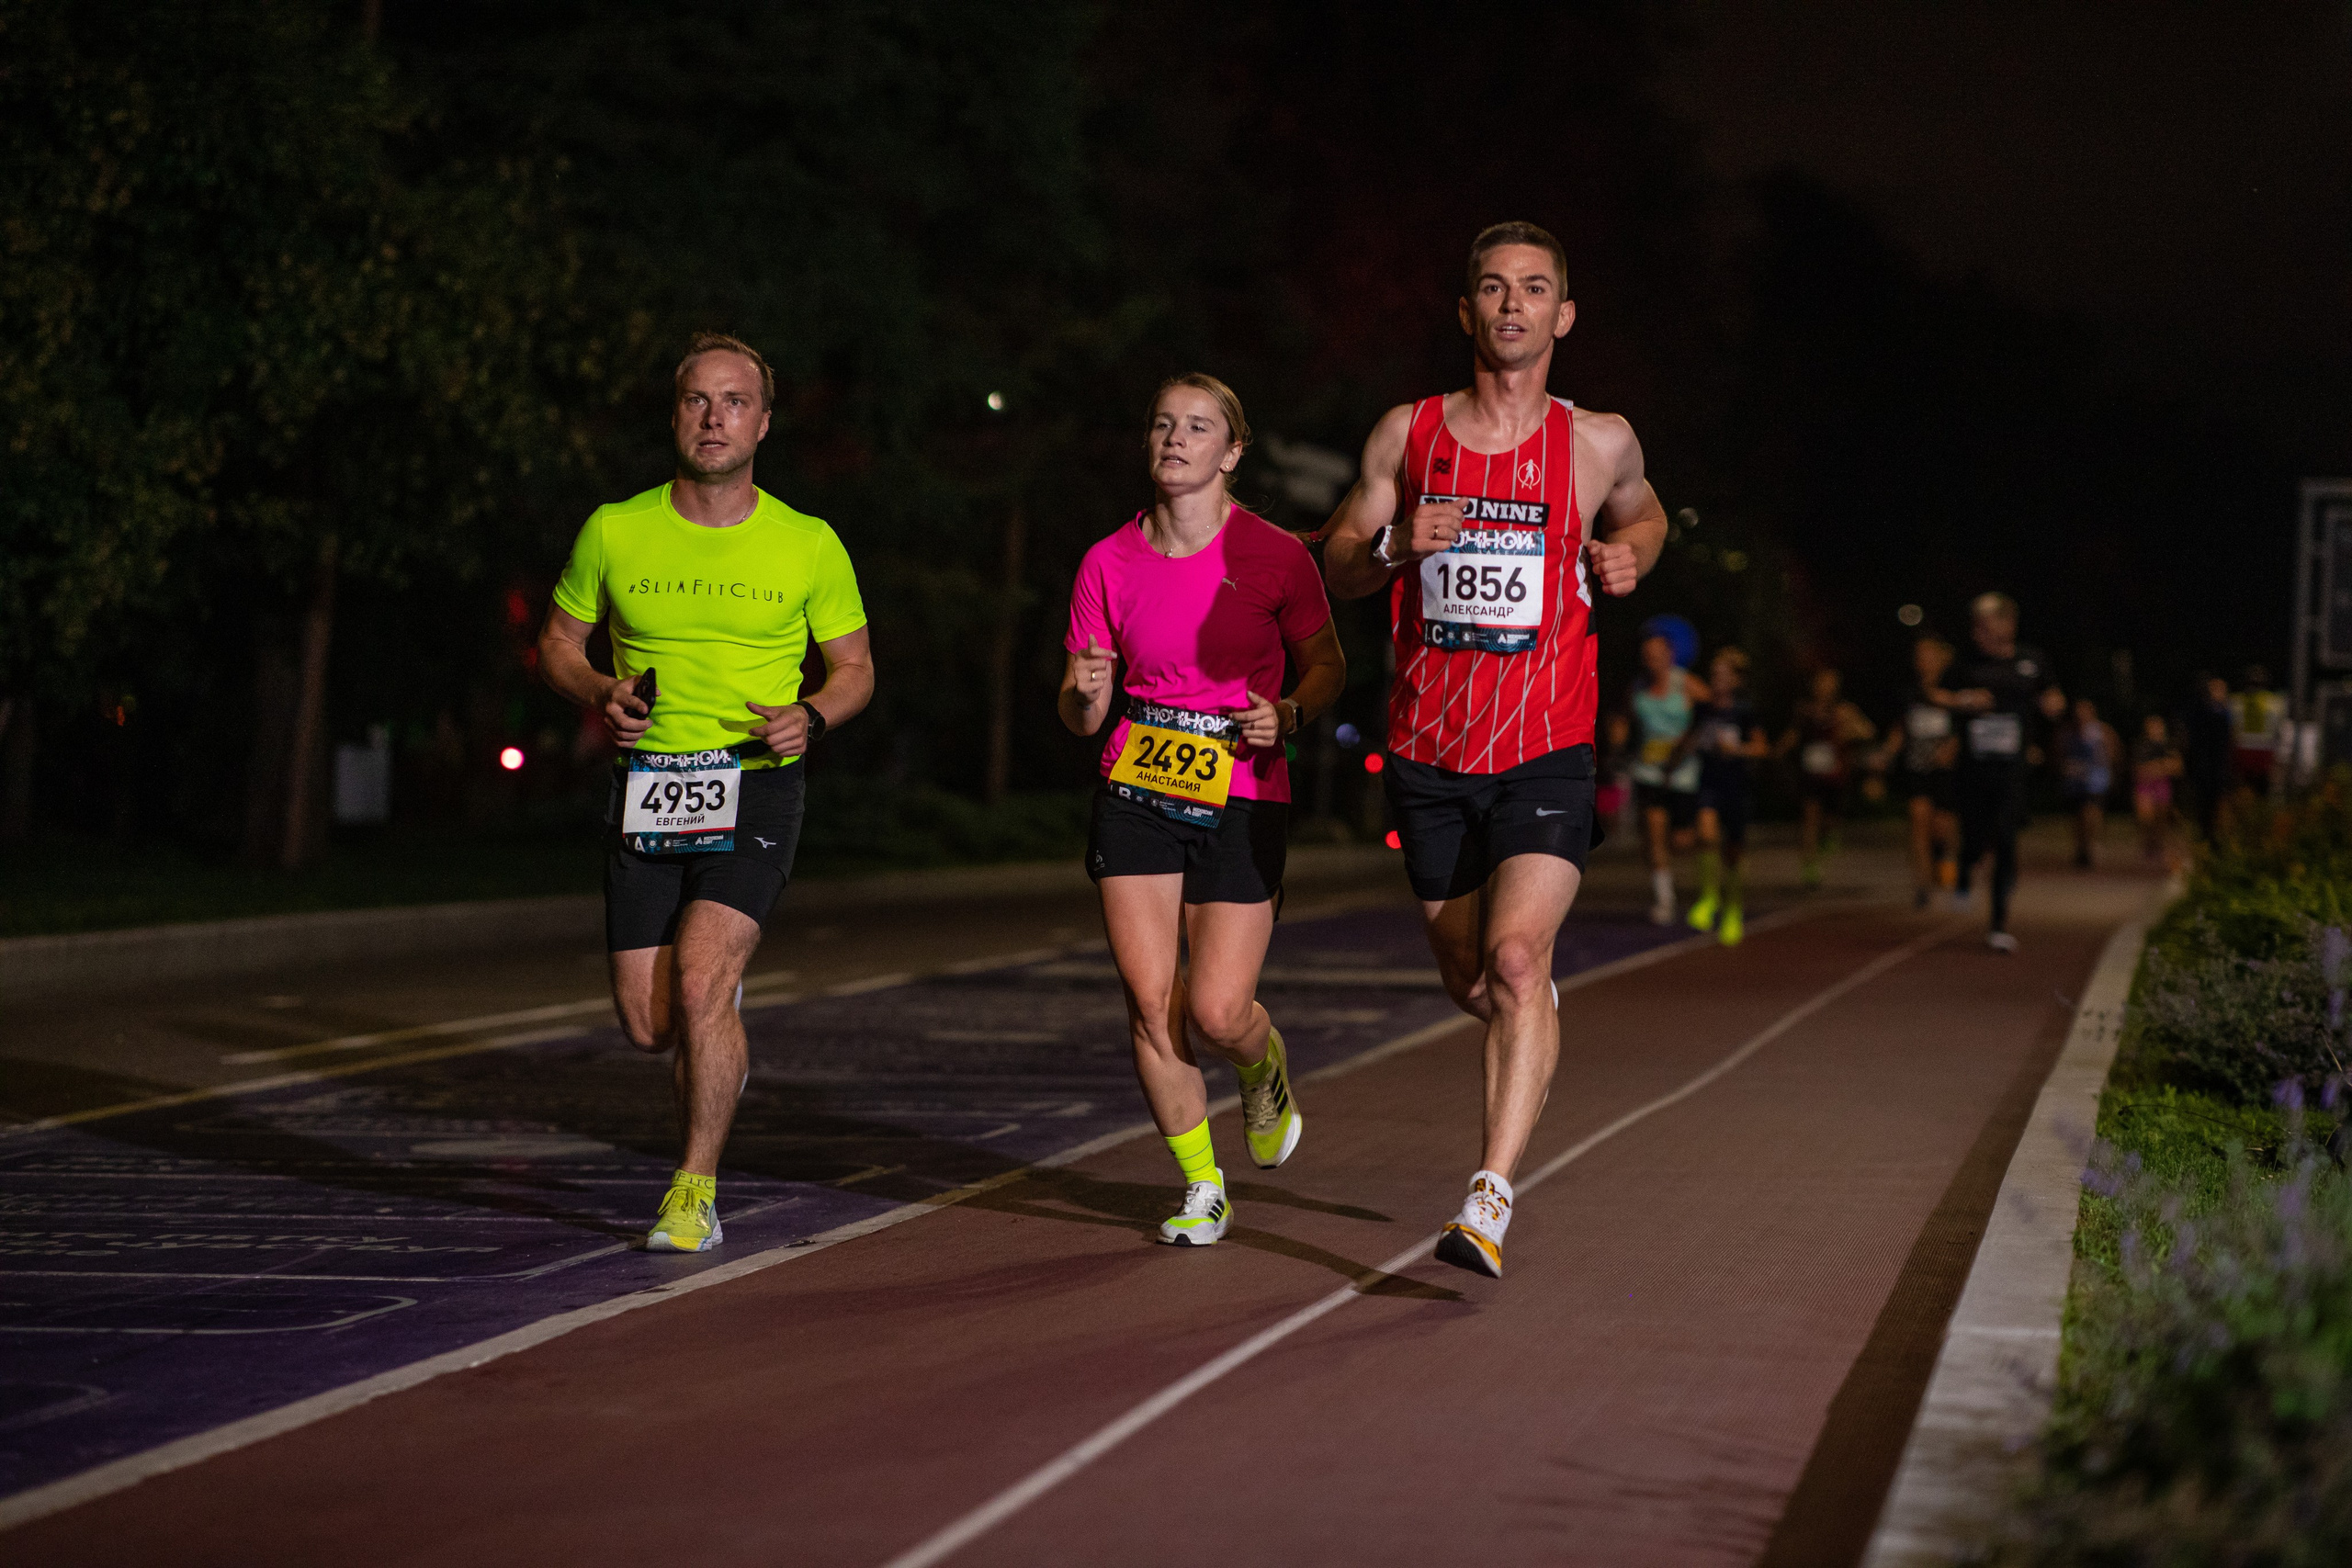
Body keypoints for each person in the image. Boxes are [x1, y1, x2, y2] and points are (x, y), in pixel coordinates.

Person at [1320, 220, 1665, 1278]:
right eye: (1491, 288)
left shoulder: (1596, 440)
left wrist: (1628, 556)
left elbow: (1647, 515)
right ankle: (1528, 1010)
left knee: (1518, 959)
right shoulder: (1405, 436)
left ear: (1562, 315)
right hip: (1428, 749)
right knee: (1472, 976)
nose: (1511, 305)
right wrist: (1388, 546)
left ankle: (1489, 1195)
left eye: (1533, 289)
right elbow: (1333, 564)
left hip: (1546, 744)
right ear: (1465, 310)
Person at [538, 333, 874, 1252]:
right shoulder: (615, 528)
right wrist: (598, 688)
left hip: (756, 787)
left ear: (763, 422)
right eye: (697, 399)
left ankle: (693, 1191)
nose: (713, 416)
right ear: (674, 414)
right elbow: (557, 644)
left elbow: (855, 669)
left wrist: (814, 713)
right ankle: (715, 1032)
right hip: (648, 790)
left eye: (733, 402)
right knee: (653, 1027)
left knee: (700, 979)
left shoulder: (807, 543)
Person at [1060, 374, 1346, 1247]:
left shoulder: (1275, 556)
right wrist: (1084, 692)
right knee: (1152, 1005)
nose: (1175, 439)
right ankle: (1200, 1183)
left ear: (1231, 453)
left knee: (1216, 1011)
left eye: (1197, 428)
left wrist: (1289, 713)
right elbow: (1081, 714)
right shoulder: (1106, 561)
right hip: (1136, 788)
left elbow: (1327, 666)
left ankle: (1263, 1064)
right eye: (1162, 425)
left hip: (1243, 790)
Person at [1943, 592, 2064, 953]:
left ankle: (1998, 923)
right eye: (1975, 626)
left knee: (2008, 837)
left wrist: (2053, 705)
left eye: (1984, 624)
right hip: (1973, 768)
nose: (1977, 632)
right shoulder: (1965, 662)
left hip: (2012, 769)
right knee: (1975, 838)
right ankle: (1964, 872)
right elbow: (1934, 694)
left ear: (2007, 623)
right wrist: (1964, 701)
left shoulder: (2032, 660)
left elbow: (2053, 696)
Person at [1683, 646, 1769, 945]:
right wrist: (1671, 763)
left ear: (1735, 680)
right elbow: (1690, 737)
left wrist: (1738, 750)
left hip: (1737, 786)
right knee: (1706, 835)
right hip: (1709, 781)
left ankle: (1733, 909)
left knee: (1733, 852)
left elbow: (1761, 748)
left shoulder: (1745, 711)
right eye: (1714, 675)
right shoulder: (1703, 709)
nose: (1717, 680)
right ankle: (1709, 897)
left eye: (1723, 676)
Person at [1625, 617, 1706, 924]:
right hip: (1649, 772)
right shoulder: (1638, 688)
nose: (1652, 661)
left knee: (1682, 842)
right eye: (1647, 656)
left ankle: (1698, 878)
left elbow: (1713, 713)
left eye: (1658, 655)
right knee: (1655, 835)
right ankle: (1665, 900)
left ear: (1671, 655)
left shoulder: (1686, 683)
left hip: (1683, 773)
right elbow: (1624, 720)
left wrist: (1689, 741)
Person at [1878, 634, 1962, 908]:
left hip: (1944, 770)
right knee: (1918, 819)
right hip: (1916, 767)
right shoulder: (1909, 692)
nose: (1922, 661)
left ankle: (1945, 862)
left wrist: (1951, 747)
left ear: (1939, 659)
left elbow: (1963, 725)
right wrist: (1886, 754)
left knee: (1942, 828)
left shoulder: (1953, 690)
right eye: (1919, 656)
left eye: (1927, 655)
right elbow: (1900, 729)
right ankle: (1922, 886)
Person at [1778, 668, 1874, 889]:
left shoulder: (1844, 711)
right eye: (1821, 683)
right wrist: (1779, 750)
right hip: (1811, 773)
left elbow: (1867, 731)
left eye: (1829, 684)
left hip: (1835, 775)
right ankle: (1810, 866)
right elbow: (1793, 734)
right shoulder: (1805, 711)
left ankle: (1826, 845)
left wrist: (1849, 732)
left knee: (1830, 823)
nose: (1824, 688)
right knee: (1810, 817)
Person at [2059, 695, 2121, 869]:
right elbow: (2059, 754)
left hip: (2095, 781)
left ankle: (2092, 844)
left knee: (2092, 812)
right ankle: (2080, 847)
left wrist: (2107, 765)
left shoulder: (2103, 731)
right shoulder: (2068, 732)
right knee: (2077, 817)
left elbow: (2113, 751)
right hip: (2074, 781)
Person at [2180, 673, 2234, 841]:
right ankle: (2205, 835)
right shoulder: (2202, 711)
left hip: (2220, 766)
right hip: (2204, 767)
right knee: (2203, 805)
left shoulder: (2226, 712)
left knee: (2218, 804)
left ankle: (2214, 837)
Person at [2132, 712, 2181, 867]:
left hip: (2162, 786)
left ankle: (2158, 846)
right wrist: (2163, 766)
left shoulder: (2168, 745)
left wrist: (2156, 768)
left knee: (2161, 819)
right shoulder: (2142, 747)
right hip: (2145, 787)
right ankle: (2148, 844)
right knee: (2146, 818)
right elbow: (2140, 771)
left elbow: (2177, 767)